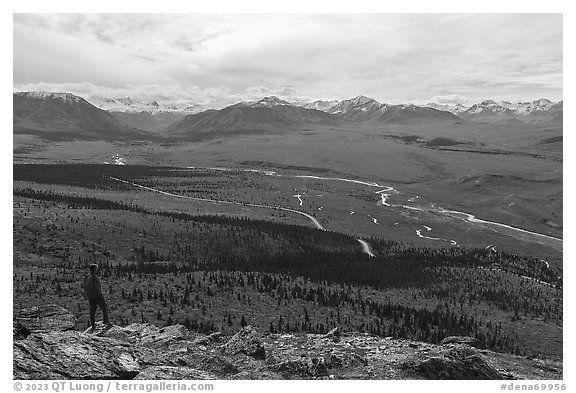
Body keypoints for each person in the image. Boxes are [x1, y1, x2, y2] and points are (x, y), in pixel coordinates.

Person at [83, 264, 111, 329]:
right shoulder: (94, 277)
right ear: (94, 269)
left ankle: (93, 324)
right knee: (104, 307)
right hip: (96, 295)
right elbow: (96, 287)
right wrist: (100, 294)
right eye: (96, 268)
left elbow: (84, 286)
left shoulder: (87, 277)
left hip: (90, 296)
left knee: (92, 310)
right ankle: (106, 320)